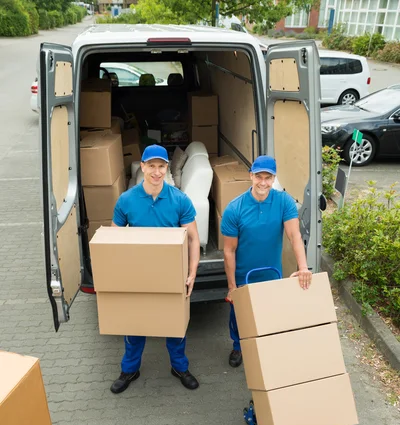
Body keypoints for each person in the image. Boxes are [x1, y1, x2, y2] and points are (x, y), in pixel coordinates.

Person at [110, 145, 200, 393]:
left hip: (171, 274)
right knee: (135, 324)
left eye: (161, 166)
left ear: (167, 168)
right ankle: (130, 369)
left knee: (174, 324)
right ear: (143, 166)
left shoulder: (180, 200)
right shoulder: (126, 200)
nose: (156, 172)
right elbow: (113, 242)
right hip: (137, 274)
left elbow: (193, 238)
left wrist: (192, 273)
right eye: (152, 166)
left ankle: (179, 366)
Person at [221, 155, 312, 368]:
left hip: (272, 273)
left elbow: (294, 236)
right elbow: (229, 250)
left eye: (268, 178)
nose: (263, 182)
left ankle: (266, 346)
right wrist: (232, 286)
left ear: (274, 178)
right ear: (251, 176)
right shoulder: (235, 208)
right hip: (244, 275)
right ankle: (237, 346)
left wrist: (303, 267)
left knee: (271, 315)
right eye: (259, 177)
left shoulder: (284, 202)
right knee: (239, 315)